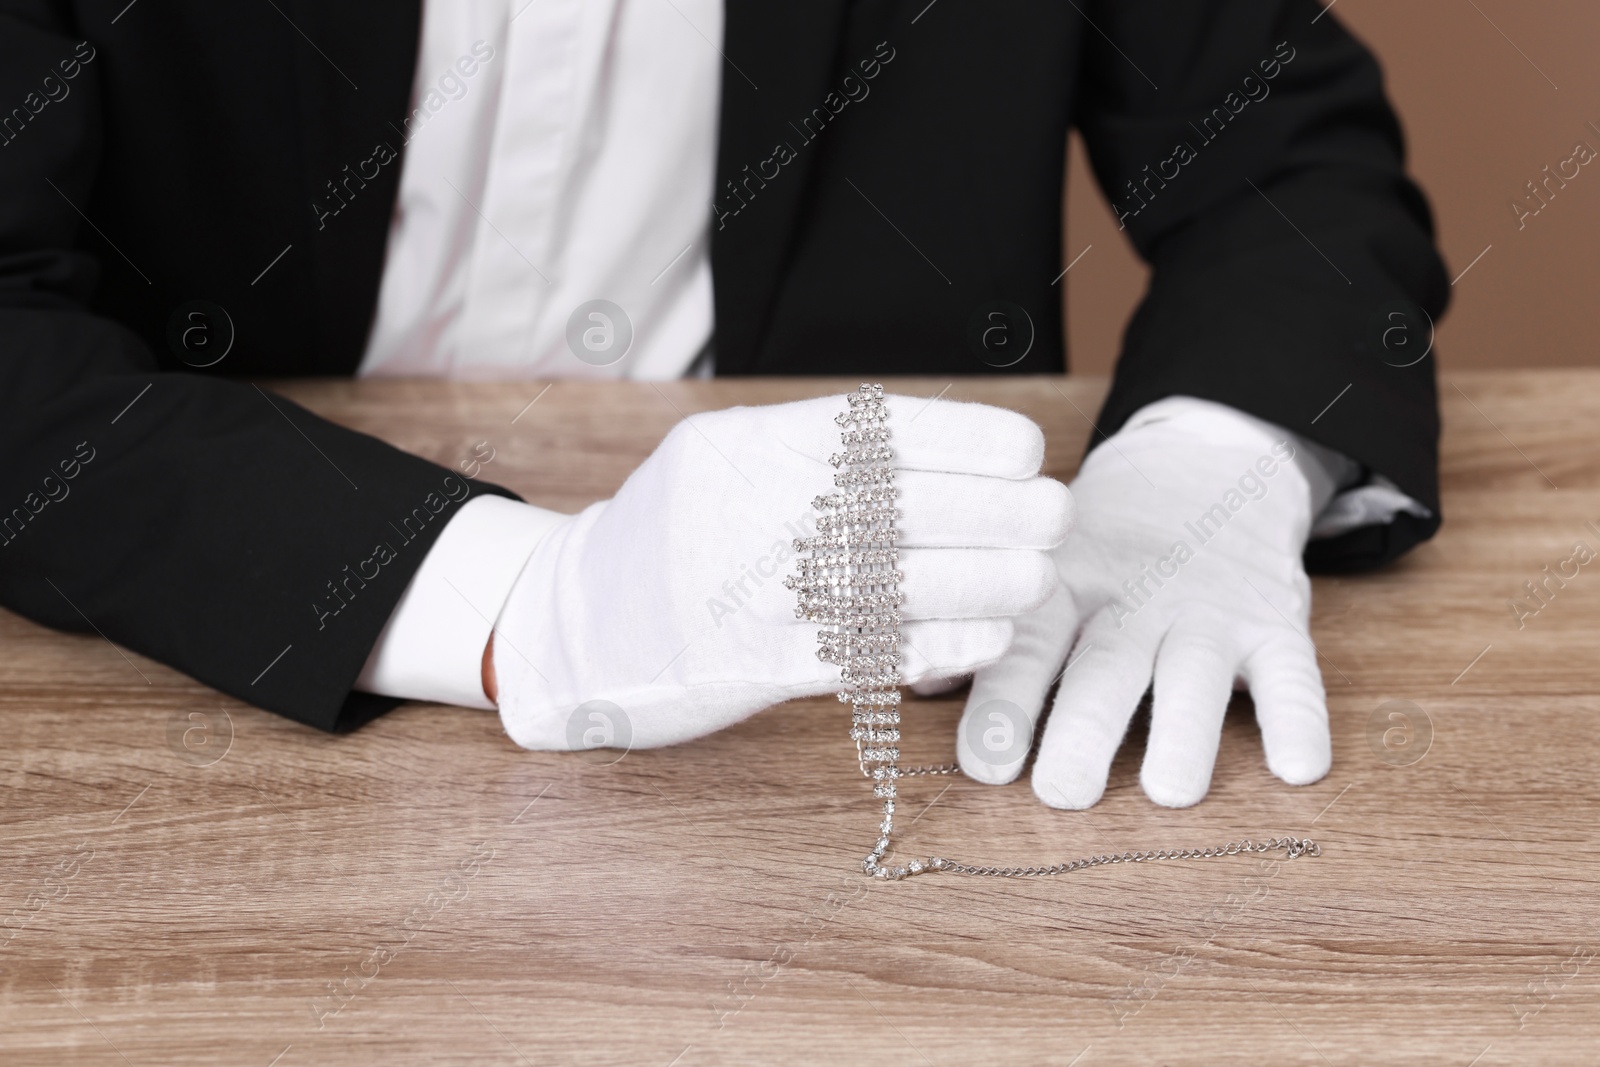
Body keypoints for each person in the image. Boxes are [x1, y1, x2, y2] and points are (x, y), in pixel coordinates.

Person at [0, 0, 1446, 809]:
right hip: (205, 693)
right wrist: (528, 604)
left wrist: (1216, 455)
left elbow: (1288, 151)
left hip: (861, 726)